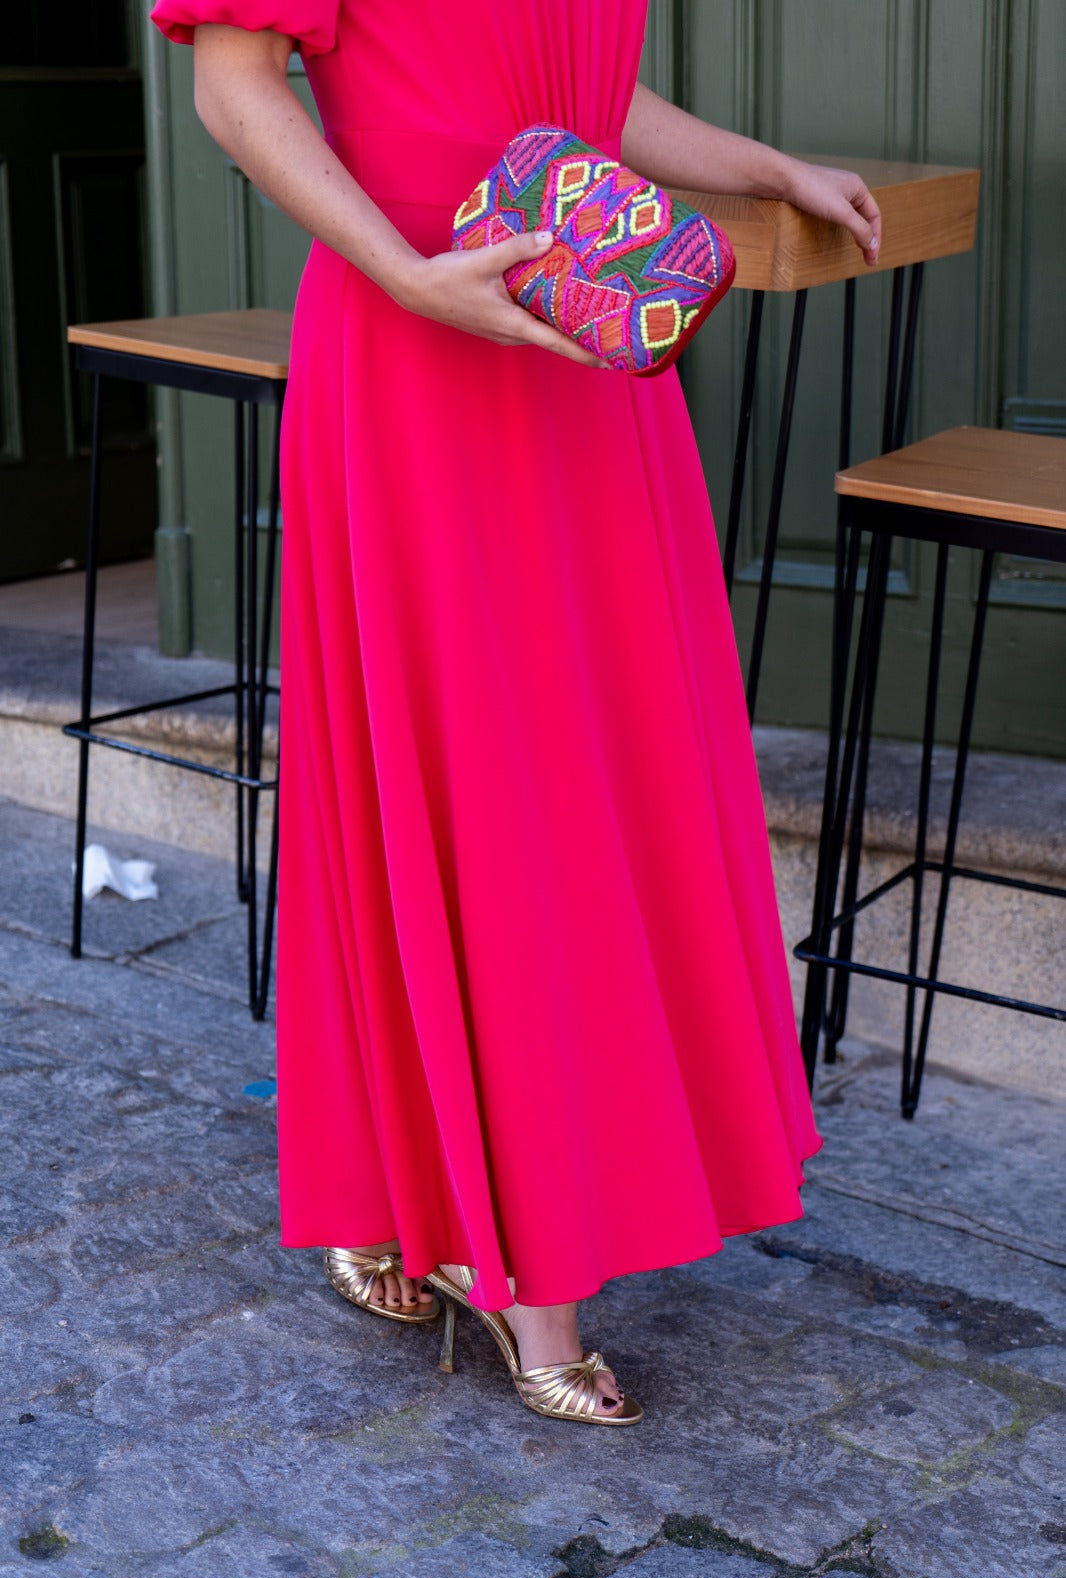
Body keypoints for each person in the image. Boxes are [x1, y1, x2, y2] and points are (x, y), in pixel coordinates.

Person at [150, 0, 881, 1427]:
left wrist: (766, 166)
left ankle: (408, 1194)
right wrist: (407, 277)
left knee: (599, 779)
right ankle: (512, 1258)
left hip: (584, 351)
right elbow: (237, 90)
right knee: (479, 780)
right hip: (419, 339)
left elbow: (581, 88)